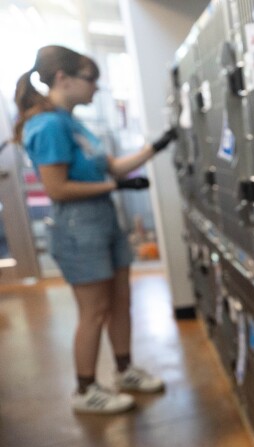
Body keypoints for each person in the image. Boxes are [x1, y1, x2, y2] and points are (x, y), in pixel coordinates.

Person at [12, 45, 177, 414]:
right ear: (62, 79)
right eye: (91, 79)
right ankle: (85, 390)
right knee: (94, 310)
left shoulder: (72, 121)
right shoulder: (49, 125)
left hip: (103, 216)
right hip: (77, 223)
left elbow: (113, 165)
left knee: (121, 300)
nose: (96, 88)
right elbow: (57, 189)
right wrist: (115, 187)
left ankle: (124, 370)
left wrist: (157, 146)